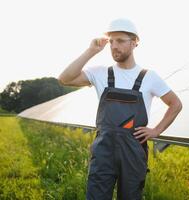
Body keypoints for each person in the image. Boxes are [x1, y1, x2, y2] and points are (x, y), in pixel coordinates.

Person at [58, 18, 182, 200]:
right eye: (111, 41)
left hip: (133, 152)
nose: (114, 46)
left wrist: (157, 130)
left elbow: (176, 104)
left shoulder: (149, 77)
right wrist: (91, 50)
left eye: (121, 41)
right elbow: (65, 78)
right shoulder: (100, 73)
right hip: (103, 152)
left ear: (134, 43)